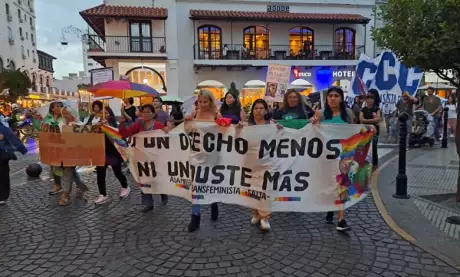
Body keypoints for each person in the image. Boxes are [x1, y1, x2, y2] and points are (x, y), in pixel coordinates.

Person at [310, 86, 354, 231]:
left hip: (343, 156)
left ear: (341, 98)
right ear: (326, 98)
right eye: (330, 96)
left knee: (342, 185)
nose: (333, 98)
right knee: (330, 185)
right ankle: (331, 209)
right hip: (326, 156)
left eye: (336, 96)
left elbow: (353, 133)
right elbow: (314, 133)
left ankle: (341, 219)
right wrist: (313, 124)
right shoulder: (321, 113)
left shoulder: (348, 114)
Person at [118, 104, 170, 212]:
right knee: (144, 180)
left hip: (155, 158)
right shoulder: (139, 124)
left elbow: (168, 137)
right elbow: (125, 133)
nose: (145, 114)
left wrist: (167, 130)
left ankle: (162, 192)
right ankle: (148, 203)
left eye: (148, 112)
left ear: (153, 114)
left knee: (157, 179)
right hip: (141, 158)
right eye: (144, 112)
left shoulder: (158, 126)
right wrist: (122, 122)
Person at [184, 89, 222, 232]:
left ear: (210, 101)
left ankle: (213, 203)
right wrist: (187, 121)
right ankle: (195, 216)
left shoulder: (217, 114)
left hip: (213, 155)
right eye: (200, 101)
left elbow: (225, 131)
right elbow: (188, 131)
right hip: (197, 155)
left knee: (212, 182)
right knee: (196, 185)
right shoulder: (194, 114)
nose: (202, 104)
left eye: (205, 101)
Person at [247, 99, 282, 231]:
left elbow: (280, 137)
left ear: (266, 110)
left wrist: (280, 130)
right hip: (251, 162)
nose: (258, 110)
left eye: (261, 108)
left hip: (267, 162)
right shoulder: (248, 125)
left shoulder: (271, 124)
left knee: (265, 189)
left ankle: (265, 216)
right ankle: (255, 213)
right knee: (253, 189)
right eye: (256, 108)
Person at [90, 106, 130, 205]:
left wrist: (107, 129)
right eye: (102, 113)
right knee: (100, 173)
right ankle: (102, 194)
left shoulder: (114, 125)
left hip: (112, 152)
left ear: (111, 115)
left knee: (117, 172)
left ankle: (125, 186)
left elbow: (116, 141)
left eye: (107, 113)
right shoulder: (96, 125)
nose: (104, 115)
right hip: (100, 151)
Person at [57, 107, 89, 206]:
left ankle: (65, 195)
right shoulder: (61, 124)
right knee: (69, 169)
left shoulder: (79, 124)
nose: (65, 116)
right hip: (64, 151)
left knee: (68, 170)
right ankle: (81, 186)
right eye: (63, 114)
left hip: (76, 152)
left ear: (73, 114)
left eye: (67, 114)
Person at [0, 123, 28, 205]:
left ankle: (2, 196)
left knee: (3, 174)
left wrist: (22, 149)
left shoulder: (2, 127)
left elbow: (11, 137)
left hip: (2, 154)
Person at [359, 94, 381, 168]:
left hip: (375, 130)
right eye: (367, 98)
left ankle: (375, 163)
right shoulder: (363, 109)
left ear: (374, 100)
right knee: (364, 146)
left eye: (371, 99)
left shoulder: (376, 109)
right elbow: (361, 119)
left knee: (374, 146)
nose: (369, 100)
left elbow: (378, 119)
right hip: (365, 130)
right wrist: (372, 121)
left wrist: (366, 120)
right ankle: (364, 162)